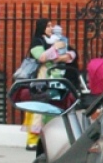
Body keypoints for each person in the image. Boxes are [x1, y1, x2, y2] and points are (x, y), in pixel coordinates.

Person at [21, 17, 77, 149]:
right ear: (42, 28)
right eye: (48, 26)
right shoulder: (38, 41)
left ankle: (50, 138)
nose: (51, 28)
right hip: (41, 78)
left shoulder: (57, 39)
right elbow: (41, 57)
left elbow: (70, 54)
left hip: (56, 77)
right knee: (38, 108)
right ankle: (32, 140)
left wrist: (62, 55)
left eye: (52, 26)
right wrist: (55, 50)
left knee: (54, 107)